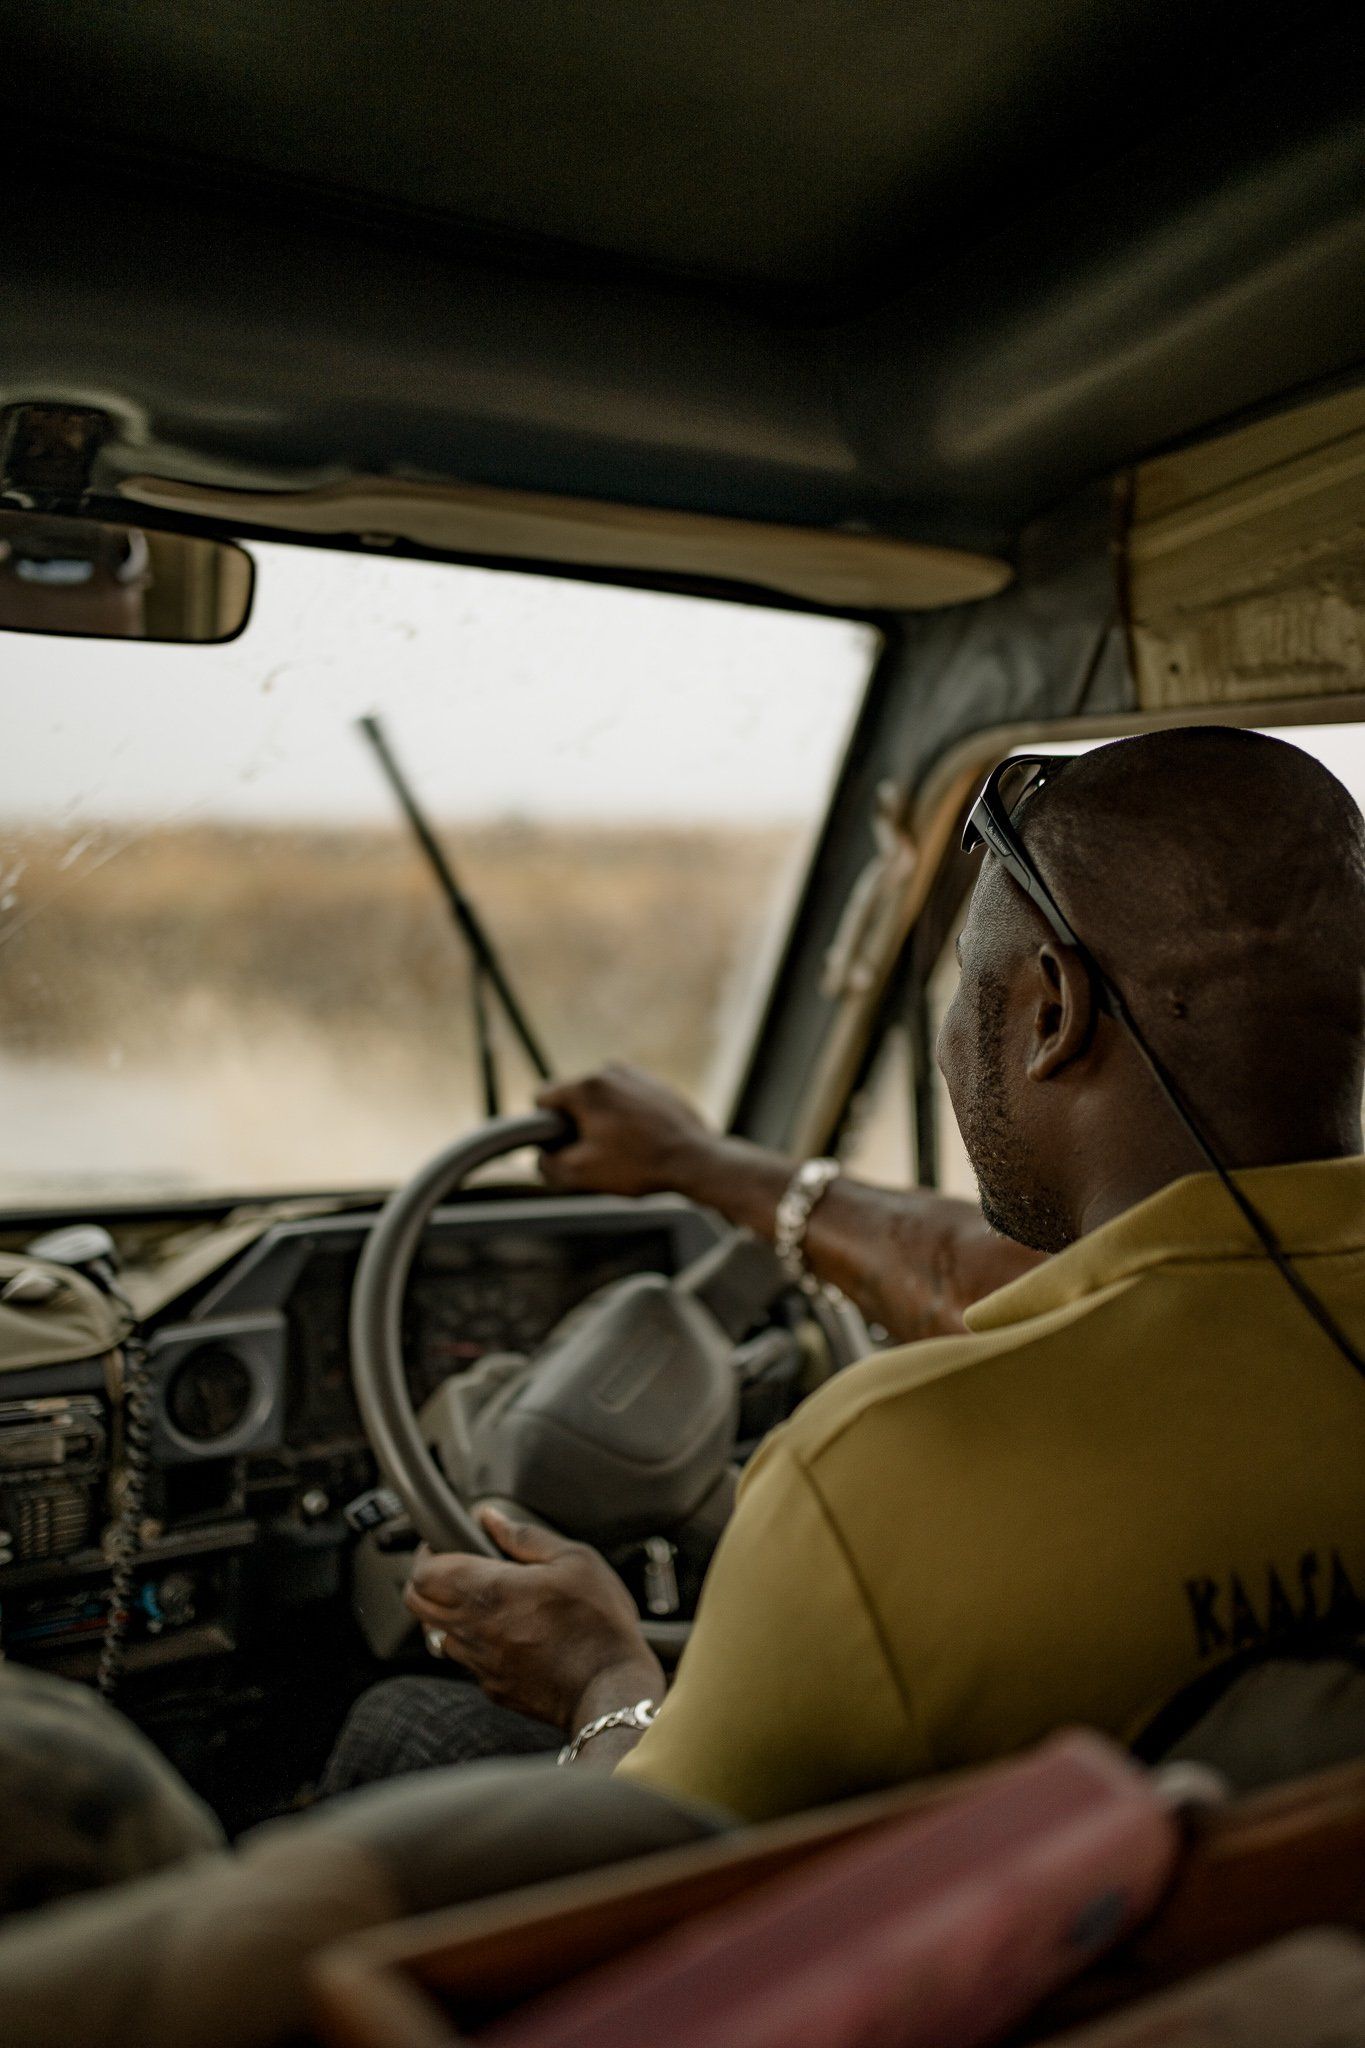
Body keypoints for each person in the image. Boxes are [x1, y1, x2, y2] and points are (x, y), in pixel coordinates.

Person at [328, 727, 1365, 1822]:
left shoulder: (881, 1469)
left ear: (1054, 1012)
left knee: (397, 1726)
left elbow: (647, 1881)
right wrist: (699, 1164)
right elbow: (1014, 1269)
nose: (950, 1036)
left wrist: (604, 1677)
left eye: (970, 980)